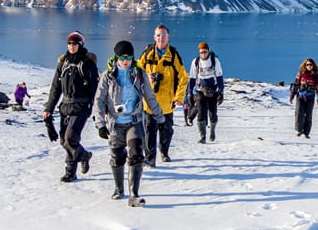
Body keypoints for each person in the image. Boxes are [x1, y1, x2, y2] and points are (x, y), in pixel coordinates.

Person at [95, 40, 166, 207]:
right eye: (122, 57)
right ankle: (119, 189)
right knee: (117, 156)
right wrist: (100, 124)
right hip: (115, 123)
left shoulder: (139, 74)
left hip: (134, 121)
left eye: (128, 57)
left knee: (135, 154)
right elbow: (98, 100)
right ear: (116, 56)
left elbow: (150, 97)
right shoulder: (108, 75)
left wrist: (160, 118)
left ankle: (133, 195)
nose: (125, 60)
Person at [44, 31, 99, 183]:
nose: (71, 46)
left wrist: (97, 110)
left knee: (70, 138)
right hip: (66, 106)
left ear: (80, 45)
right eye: (69, 43)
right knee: (64, 141)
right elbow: (56, 88)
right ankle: (84, 155)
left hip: (81, 106)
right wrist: (49, 108)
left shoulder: (87, 64)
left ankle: (70, 172)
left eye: (74, 43)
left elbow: (95, 88)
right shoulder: (63, 64)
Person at [136, 24, 187, 166]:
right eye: (158, 35)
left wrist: (179, 97)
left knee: (166, 131)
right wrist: (148, 76)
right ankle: (150, 158)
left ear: (168, 37)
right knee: (149, 131)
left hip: (167, 102)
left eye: (164, 35)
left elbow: (183, 77)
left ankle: (164, 152)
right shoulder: (147, 53)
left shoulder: (174, 55)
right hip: (149, 102)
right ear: (154, 37)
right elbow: (137, 71)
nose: (161, 38)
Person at [186, 41, 224, 143]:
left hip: (213, 90)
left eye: (205, 52)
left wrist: (221, 92)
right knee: (201, 113)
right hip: (200, 90)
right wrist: (190, 93)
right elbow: (192, 78)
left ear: (208, 51)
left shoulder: (215, 61)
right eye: (201, 52)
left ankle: (212, 131)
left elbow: (220, 77)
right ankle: (202, 137)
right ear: (199, 52)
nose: (203, 54)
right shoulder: (195, 62)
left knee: (212, 114)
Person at [289, 58, 318, 139]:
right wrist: (291, 96)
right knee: (299, 113)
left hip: (310, 97)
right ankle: (299, 130)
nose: (309, 66)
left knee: (308, 115)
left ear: (313, 65)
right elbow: (295, 85)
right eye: (307, 64)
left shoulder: (316, 76)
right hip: (300, 96)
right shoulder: (300, 73)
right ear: (305, 65)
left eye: (310, 65)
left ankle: (306, 133)